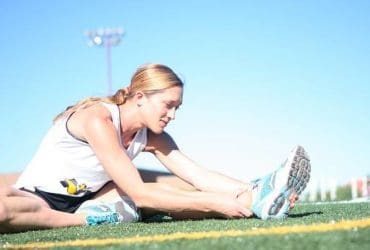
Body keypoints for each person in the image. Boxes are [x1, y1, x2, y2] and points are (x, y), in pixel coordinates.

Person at [0, 63, 311, 233]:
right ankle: (87, 220)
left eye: (178, 108)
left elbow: (198, 176)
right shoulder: (98, 119)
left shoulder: (153, 136)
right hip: (37, 198)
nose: (172, 115)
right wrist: (216, 203)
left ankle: (260, 197)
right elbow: (139, 192)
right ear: (139, 98)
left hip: (93, 198)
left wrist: (250, 191)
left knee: (169, 194)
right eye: (168, 105)